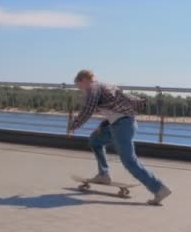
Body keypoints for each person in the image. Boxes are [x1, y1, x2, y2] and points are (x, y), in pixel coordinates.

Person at [68, 69, 172, 205]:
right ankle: (103, 175)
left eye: (79, 86)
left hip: (123, 126)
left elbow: (88, 109)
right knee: (95, 140)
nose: (81, 90)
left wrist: (73, 126)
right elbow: (114, 109)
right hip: (118, 124)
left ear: (83, 80)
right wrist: (103, 126)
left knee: (130, 162)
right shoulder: (104, 86)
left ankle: (159, 188)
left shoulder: (93, 87)